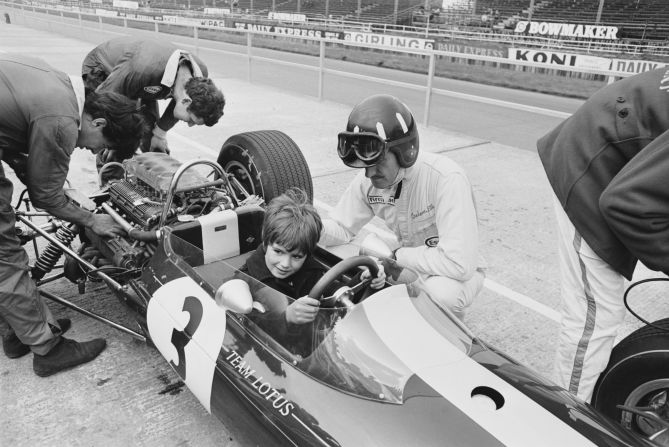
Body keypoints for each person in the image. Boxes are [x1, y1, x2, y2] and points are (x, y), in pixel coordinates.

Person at [0, 54, 147, 377]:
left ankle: (18, 332)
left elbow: (10, 138)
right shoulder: (60, 121)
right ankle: (47, 350)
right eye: (100, 146)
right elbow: (44, 197)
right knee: (6, 257)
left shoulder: (62, 87)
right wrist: (92, 219)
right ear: (99, 123)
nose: (93, 152)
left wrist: (48, 183)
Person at [538, 67, 669, 402]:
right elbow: (626, 204)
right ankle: (565, 420)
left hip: (630, 163)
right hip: (592, 162)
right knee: (595, 316)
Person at [319, 94, 485, 320]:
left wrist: (398, 256)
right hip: (409, 263)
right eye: (365, 164)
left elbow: (460, 264)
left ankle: (448, 335)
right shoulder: (368, 180)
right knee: (336, 256)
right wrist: (310, 226)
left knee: (441, 295)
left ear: (404, 151)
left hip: (457, 272)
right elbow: (341, 228)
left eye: (377, 163)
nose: (369, 173)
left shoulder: (446, 178)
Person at [238, 188, 385, 355]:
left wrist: (365, 279)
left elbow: (334, 295)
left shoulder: (310, 269)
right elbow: (244, 325)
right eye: (278, 252)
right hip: (278, 356)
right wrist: (286, 317)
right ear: (265, 243)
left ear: (307, 254)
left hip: (319, 349)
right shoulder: (245, 280)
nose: (285, 264)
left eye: (297, 256)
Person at [81, 36, 226, 159]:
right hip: (104, 69)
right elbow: (102, 101)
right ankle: (111, 182)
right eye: (192, 120)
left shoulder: (198, 75)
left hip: (149, 80)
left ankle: (149, 176)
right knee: (115, 138)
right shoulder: (141, 70)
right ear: (186, 101)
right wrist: (113, 139)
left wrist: (160, 133)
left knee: (149, 136)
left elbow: (177, 105)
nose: (189, 124)